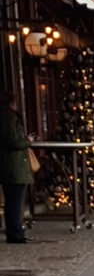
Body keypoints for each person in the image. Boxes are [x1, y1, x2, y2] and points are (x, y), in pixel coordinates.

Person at [0, 91, 34, 243]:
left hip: (9, 165)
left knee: (13, 200)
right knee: (15, 200)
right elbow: (14, 142)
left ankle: (15, 231)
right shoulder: (8, 118)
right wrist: (27, 140)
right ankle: (15, 233)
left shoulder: (6, 117)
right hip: (14, 165)